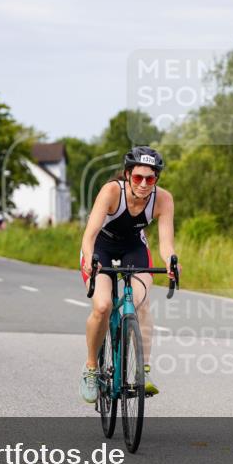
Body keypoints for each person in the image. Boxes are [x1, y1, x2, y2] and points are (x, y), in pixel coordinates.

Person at [79, 146, 177, 404]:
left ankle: (142, 371)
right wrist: (90, 260)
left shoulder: (163, 199)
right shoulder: (112, 191)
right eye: (137, 177)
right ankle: (91, 368)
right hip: (101, 245)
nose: (144, 184)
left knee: (140, 303)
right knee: (102, 306)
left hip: (134, 247)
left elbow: (166, 244)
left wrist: (171, 262)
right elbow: (89, 235)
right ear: (127, 175)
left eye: (150, 178)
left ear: (156, 179)